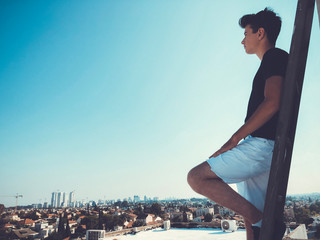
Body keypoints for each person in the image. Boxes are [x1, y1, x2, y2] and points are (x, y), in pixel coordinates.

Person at [187, 8, 288, 240]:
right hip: (266, 147)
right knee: (250, 219)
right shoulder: (273, 61)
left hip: (262, 146)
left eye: (246, 33)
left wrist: (234, 140)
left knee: (196, 177)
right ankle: (262, 221)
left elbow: (272, 102)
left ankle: (266, 221)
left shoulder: (274, 57)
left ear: (260, 33)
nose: (242, 40)